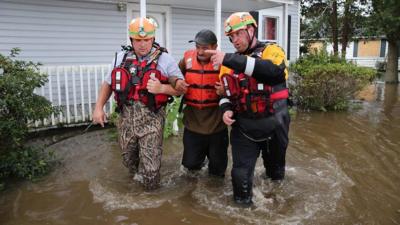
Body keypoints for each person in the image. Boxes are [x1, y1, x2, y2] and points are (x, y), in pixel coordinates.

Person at [92, 17, 187, 190]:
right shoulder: (120, 58)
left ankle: (150, 205)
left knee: (150, 171)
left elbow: (181, 88)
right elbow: (108, 83)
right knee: (129, 160)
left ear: (153, 39)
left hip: (151, 118)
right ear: (131, 40)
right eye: (138, 40)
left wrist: (162, 89)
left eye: (147, 40)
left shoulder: (165, 59)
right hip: (126, 118)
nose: (142, 44)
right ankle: (136, 185)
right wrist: (98, 108)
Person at [206, 12, 290, 205]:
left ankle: (276, 205)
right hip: (244, 127)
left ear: (251, 30)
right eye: (231, 37)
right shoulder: (228, 62)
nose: (234, 40)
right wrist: (225, 108)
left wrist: (228, 59)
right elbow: (225, 93)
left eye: (238, 34)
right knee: (240, 179)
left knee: (276, 176)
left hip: (275, 125)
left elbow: (274, 73)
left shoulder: (272, 51)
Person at [177, 29, 228, 177]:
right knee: (190, 170)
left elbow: (237, 89)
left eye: (204, 48)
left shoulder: (225, 63)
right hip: (193, 125)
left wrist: (227, 90)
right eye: (197, 47)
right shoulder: (186, 60)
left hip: (217, 127)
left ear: (214, 47)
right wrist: (177, 81)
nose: (200, 51)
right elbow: (174, 74)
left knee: (218, 173)